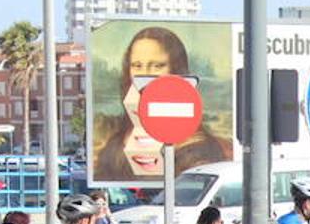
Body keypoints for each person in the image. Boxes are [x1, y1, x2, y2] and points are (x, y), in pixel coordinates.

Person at [93, 26, 232, 181]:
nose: (145, 74)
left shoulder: (196, 149)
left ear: (175, 69)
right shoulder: (119, 137)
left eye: (157, 65)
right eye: (137, 65)